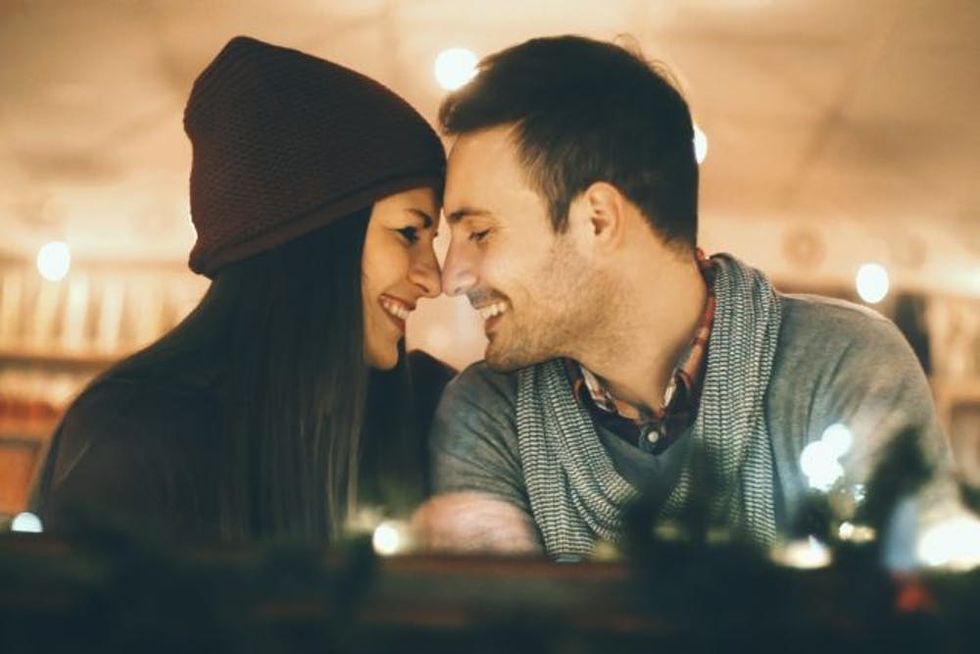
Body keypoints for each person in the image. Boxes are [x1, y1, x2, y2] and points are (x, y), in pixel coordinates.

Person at [413, 35, 953, 559]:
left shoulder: (845, 365)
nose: (450, 276)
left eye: (479, 233)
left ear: (598, 220)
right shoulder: (487, 412)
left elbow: (917, 618)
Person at [32, 36, 453, 543]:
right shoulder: (136, 433)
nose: (436, 277)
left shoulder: (435, 408)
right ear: (315, 236)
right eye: (409, 232)